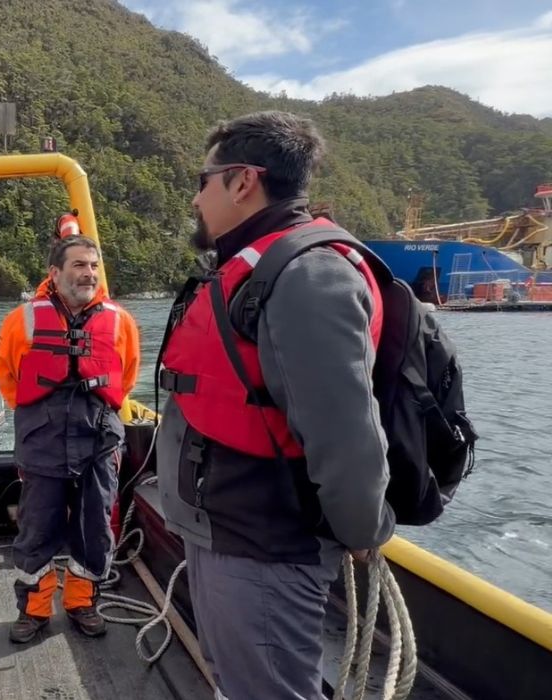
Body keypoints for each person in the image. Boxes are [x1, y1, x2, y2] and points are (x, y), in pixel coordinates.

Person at [156, 110, 395, 699]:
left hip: (265, 545)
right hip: (225, 529)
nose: (195, 199)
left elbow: (346, 432)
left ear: (242, 181)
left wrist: (363, 527)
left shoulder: (309, 274)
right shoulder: (257, 264)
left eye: (202, 181)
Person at [0, 236, 141, 644]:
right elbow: (6, 373)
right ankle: (35, 610)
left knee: (95, 526)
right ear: (55, 274)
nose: (88, 273)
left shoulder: (120, 320)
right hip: (43, 435)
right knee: (37, 526)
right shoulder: (21, 319)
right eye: (78, 265)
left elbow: (127, 373)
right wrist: (40, 414)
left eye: (93, 265)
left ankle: (81, 602)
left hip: (99, 436)